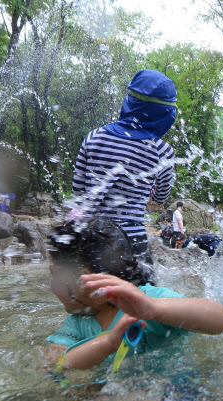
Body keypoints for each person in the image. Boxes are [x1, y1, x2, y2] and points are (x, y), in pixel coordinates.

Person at [45, 217, 223, 372]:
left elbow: (222, 319)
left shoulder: (147, 300)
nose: (50, 284)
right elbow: (55, 362)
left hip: (177, 388)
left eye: (56, 275)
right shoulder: (79, 322)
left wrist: (154, 308)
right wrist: (107, 343)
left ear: (86, 280)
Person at [72, 69, 178, 267]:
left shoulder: (94, 136)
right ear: (166, 113)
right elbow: (160, 197)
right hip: (133, 242)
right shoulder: (162, 150)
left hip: (91, 239)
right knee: (142, 295)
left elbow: (78, 193)